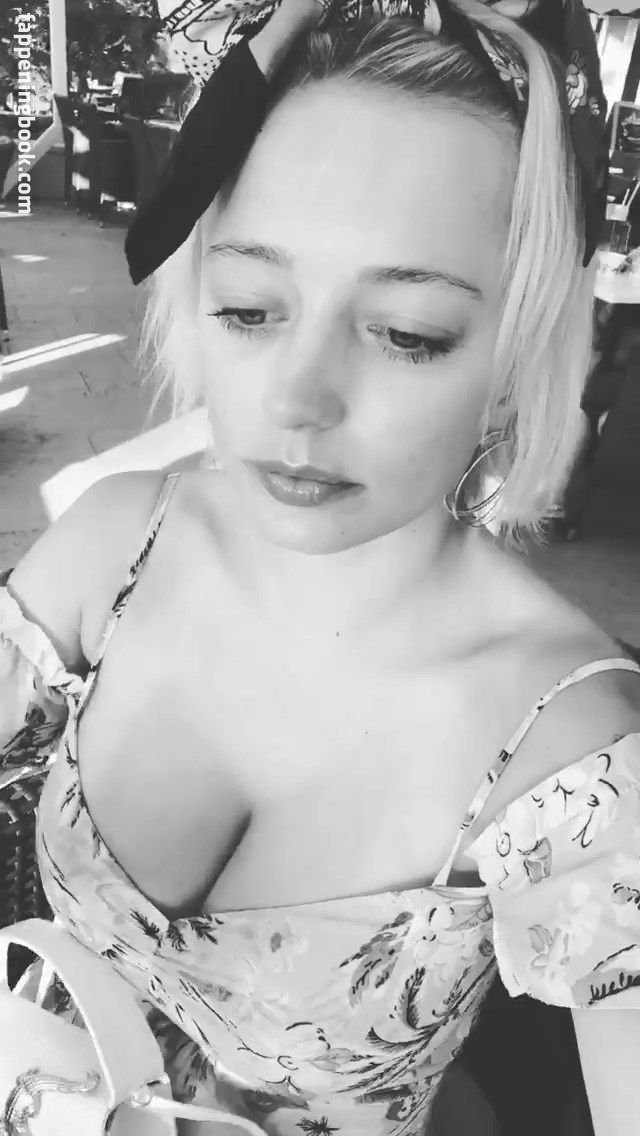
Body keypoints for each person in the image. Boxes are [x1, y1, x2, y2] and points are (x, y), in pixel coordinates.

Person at [1, 2, 639, 1135]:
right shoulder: (115, 548)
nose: (296, 398)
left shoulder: (571, 751)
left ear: (515, 351)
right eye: (250, 310)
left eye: (408, 332)